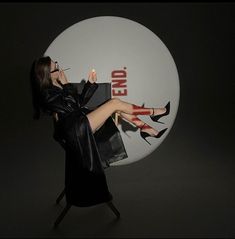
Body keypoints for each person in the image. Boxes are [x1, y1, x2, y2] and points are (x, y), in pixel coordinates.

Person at [30, 56, 170, 207]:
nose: (59, 67)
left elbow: (79, 103)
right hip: (76, 131)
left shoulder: (57, 85)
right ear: (48, 74)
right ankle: (154, 113)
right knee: (115, 103)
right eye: (55, 67)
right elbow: (72, 108)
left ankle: (147, 129)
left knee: (116, 105)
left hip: (79, 122)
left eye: (57, 63)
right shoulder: (47, 94)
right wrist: (66, 84)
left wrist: (90, 83)